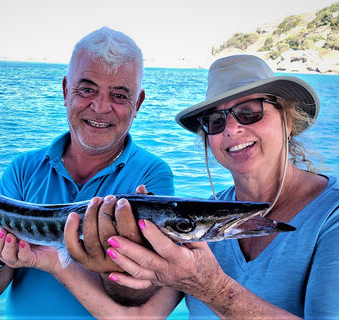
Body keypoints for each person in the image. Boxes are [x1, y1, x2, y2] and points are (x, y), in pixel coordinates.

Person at [0, 26, 176, 319]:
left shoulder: (152, 175)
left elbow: (136, 295)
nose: (100, 107)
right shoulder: (23, 169)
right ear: (65, 91)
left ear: (137, 104)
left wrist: (118, 259)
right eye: (87, 89)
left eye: (119, 95)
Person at [97, 54, 339, 319]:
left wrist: (212, 287)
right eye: (216, 120)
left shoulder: (332, 214)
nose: (231, 129)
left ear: (287, 120)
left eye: (249, 112)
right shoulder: (194, 221)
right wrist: (58, 261)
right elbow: (140, 316)